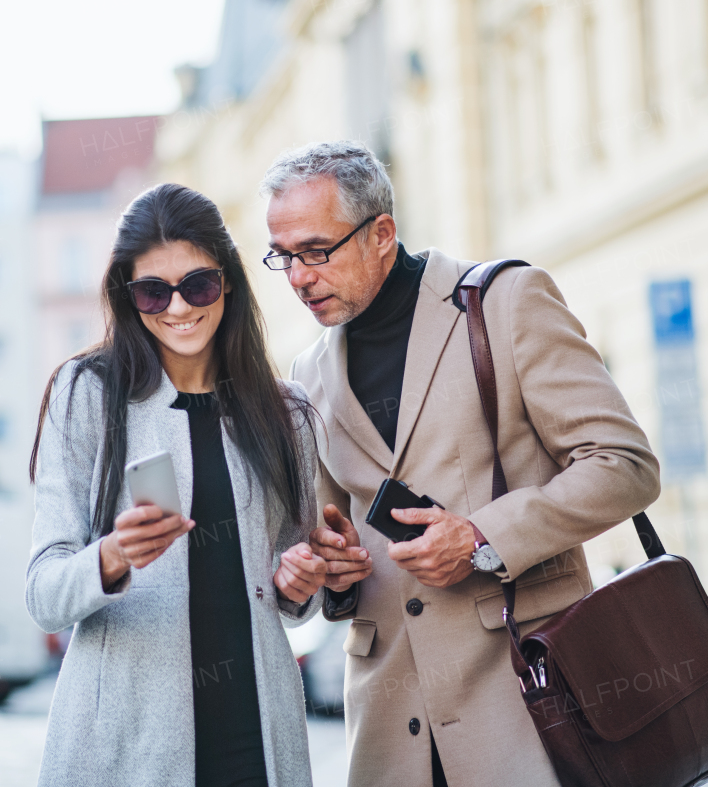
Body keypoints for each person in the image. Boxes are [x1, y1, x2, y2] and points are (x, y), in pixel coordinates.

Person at [260, 142, 662, 787]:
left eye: (316, 252)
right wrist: (331, 571)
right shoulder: (307, 376)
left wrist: (480, 537)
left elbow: (625, 464)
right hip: (392, 735)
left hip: (526, 701)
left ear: (382, 233)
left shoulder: (505, 302)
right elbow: (333, 532)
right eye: (283, 257)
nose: (298, 277)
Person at [26, 183, 327, 787]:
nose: (178, 307)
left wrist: (302, 578)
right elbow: (44, 594)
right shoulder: (87, 393)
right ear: (126, 294)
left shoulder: (284, 411)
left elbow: (297, 590)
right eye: (151, 291)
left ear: (230, 282)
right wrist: (112, 556)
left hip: (259, 737)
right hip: (128, 743)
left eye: (198, 285)